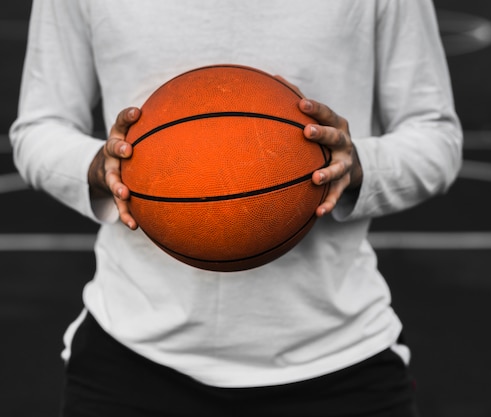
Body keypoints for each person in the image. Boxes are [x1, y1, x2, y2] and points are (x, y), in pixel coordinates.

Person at [10, 0, 462, 416]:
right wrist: (100, 166)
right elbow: (38, 128)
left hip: (338, 359)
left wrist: (353, 164)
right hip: (131, 357)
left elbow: (436, 137)